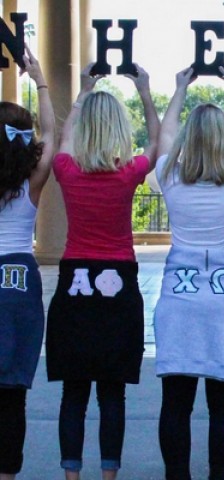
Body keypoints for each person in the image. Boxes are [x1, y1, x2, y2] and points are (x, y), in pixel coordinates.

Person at [45, 63, 159, 480]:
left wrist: (82, 94)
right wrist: (145, 92)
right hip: (119, 284)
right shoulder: (128, 174)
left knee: (73, 394)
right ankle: (109, 475)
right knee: (113, 394)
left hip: (74, 285)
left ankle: (71, 476)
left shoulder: (66, 170)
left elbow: (63, 140)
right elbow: (158, 143)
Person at [154, 64, 224, 480]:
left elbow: (164, 134)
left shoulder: (169, 176)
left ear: (187, 140)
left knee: (175, 404)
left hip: (179, 301)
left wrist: (179, 88)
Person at [0, 47, 55, 480]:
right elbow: (52, 135)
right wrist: (40, 81)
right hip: (19, 284)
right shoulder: (32, 181)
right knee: (12, 395)